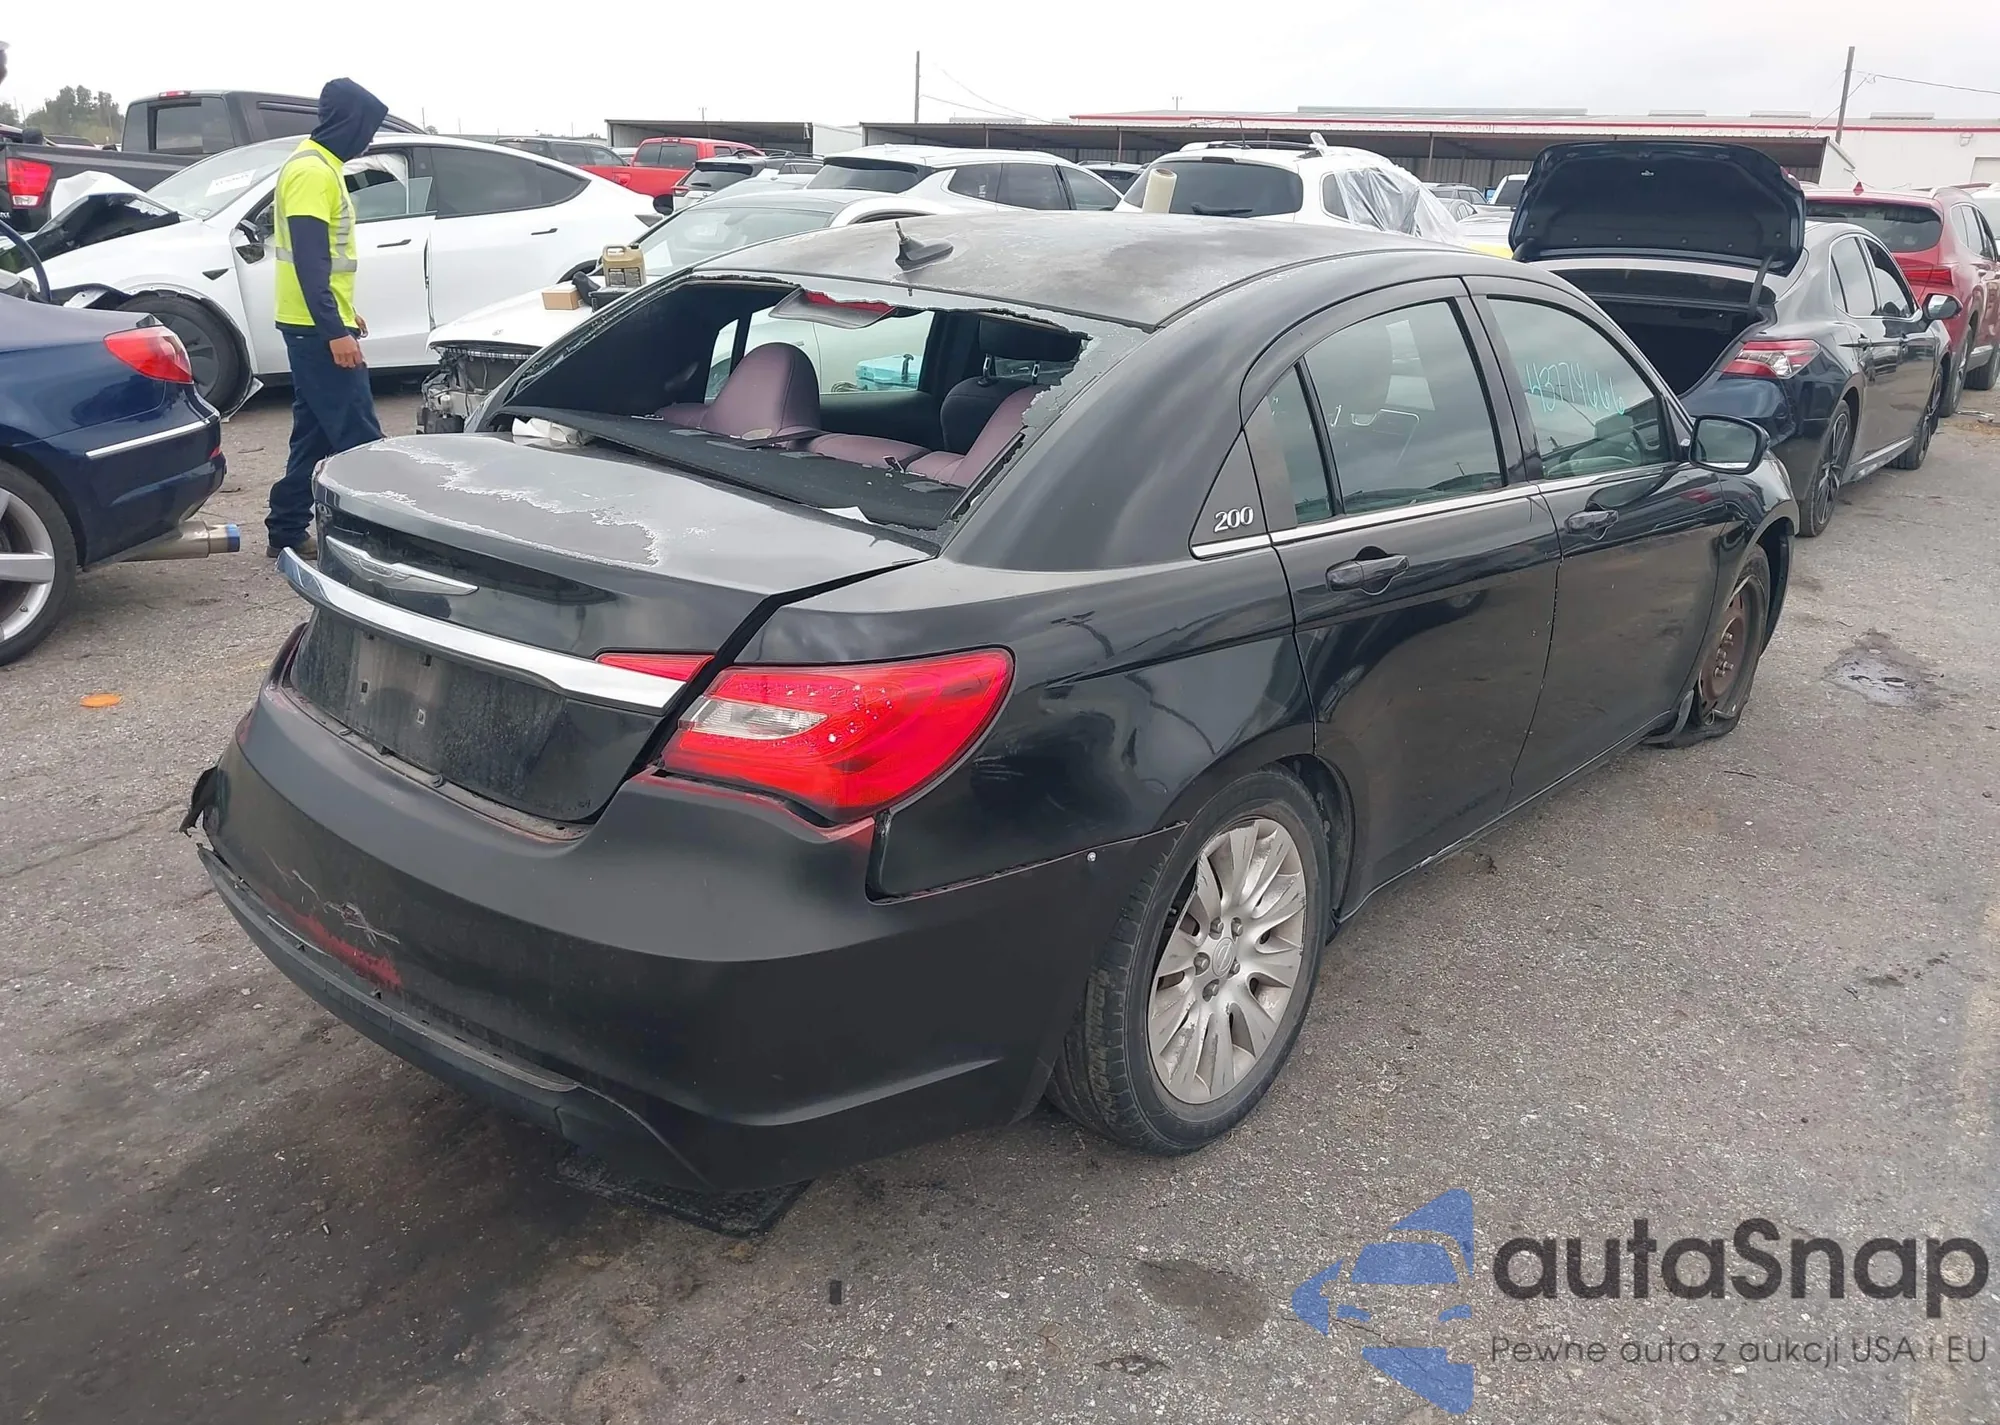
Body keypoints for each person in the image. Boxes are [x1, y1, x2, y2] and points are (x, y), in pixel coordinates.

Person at [267, 78, 389, 560]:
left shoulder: (318, 165)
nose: (369, 142)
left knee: (314, 434)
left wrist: (342, 313)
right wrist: (334, 330)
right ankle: (384, 537)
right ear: (348, 123)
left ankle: (285, 529)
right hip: (315, 330)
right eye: (367, 130)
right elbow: (310, 259)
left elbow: (323, 263)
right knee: (360, 438)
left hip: (311, 323)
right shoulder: (312, 172)